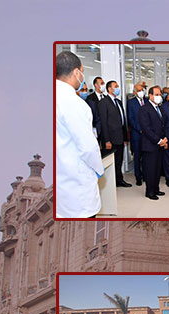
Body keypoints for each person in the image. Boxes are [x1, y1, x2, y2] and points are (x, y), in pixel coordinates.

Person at [55, 50, 104, 218]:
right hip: (77, 193)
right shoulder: (75, 103)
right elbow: (88, 147)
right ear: (76, 72)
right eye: (82, 72)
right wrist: (99, 169)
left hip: (61, 188)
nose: (82, 76)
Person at [97, 80, 131, 188]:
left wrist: (125, 137)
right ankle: (112, 184)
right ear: (109, 89)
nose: (117, 88)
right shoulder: (104, 103)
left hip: (120, 137)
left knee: (119, 160)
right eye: (115, 86)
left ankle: (119, 180)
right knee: (111, 162)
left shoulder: (119, 102)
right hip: (111, 139)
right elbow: (103, 122)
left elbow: (122, 120)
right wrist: (106, 140)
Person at [138, 85, 168, 200]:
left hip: (160, 145)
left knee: (157, 169)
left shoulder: (159, 108)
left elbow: (163, 125)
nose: (159, 96)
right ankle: (149, 192)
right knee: (150, 169)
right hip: (150, 145)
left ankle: (156, 189)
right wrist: (159, 140)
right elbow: (146, 128)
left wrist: (164, 139)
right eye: (156, 94)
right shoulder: (144, 109)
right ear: (150, 96)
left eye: (160, 94)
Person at [126, 83, 147, 185]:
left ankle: (146, 175)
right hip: (137, 134)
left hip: (147, 135)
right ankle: (138, 177)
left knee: (146, 156)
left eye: (142, 89)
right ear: (135, 92)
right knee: (137, 156)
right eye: (139, 90)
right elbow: (131, 119)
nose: (141, 91)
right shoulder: (131, 103)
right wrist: (140, 129)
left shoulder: (147, 101)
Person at [86, 76, 105, 143]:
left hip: (106, 132)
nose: (103, 85)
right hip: (96, 132)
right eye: (102, 83)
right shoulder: (89, 99)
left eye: (104, 83)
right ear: (96, 85)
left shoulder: (106, 98)